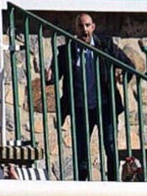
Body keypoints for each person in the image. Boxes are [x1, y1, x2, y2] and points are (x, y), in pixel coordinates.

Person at [45, 13, 135, 182]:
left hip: (105, 106)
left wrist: (123, 76)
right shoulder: (68, 51)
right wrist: (49, 76)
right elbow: (55, 74)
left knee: (110, 147)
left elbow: (128, 65)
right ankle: (82, 195)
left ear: (93, 27)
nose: (84, 30)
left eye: (87, 26)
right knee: (82, 153)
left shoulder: (105, 45)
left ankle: (113, 189)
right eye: (81, 26)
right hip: (80, 109)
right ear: (76, 29)